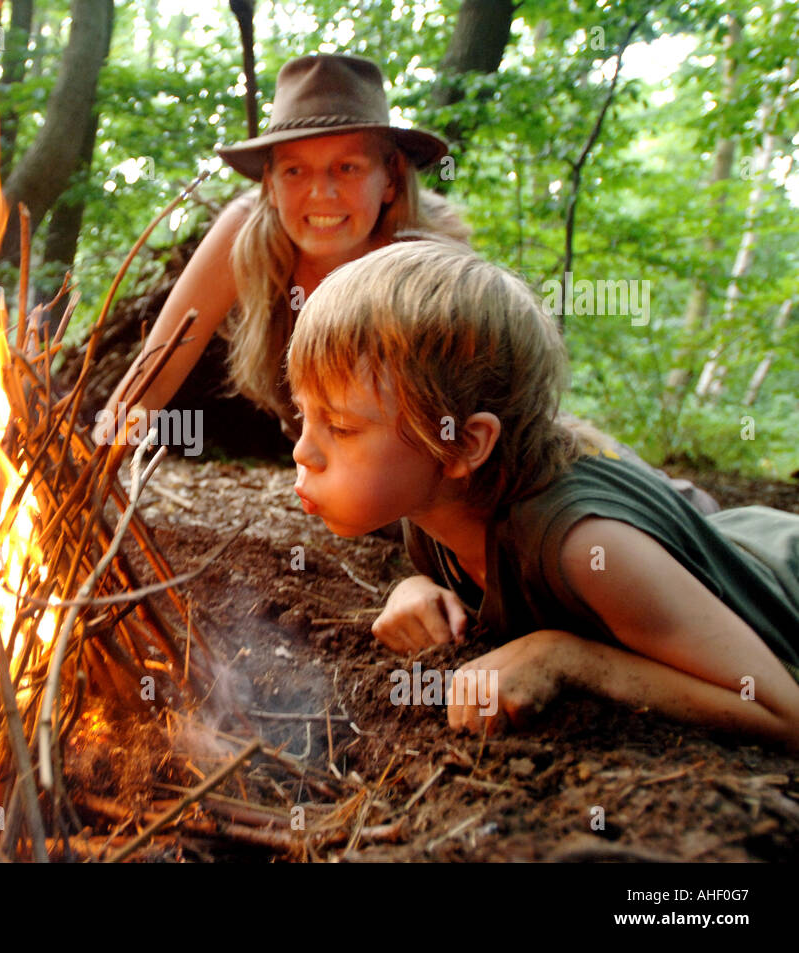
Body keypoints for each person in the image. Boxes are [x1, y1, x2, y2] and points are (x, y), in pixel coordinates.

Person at [287, 239, 799, 749]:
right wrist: (415, 587)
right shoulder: (434, 509)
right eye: (303, 413)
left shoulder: (585, 546)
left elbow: (783, 712)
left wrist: (568, 659)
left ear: (464, 444)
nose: (303, 451)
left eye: (342, 427)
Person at [95, 54, 468, 447]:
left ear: (390, 178)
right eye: (295, 170)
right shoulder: (244, 233)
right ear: (270, 184)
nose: (321, 192)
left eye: (348, 168)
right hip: (321, 459)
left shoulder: (432, 261)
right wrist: (94, 469)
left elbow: (464, 415)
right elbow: (155, 370)